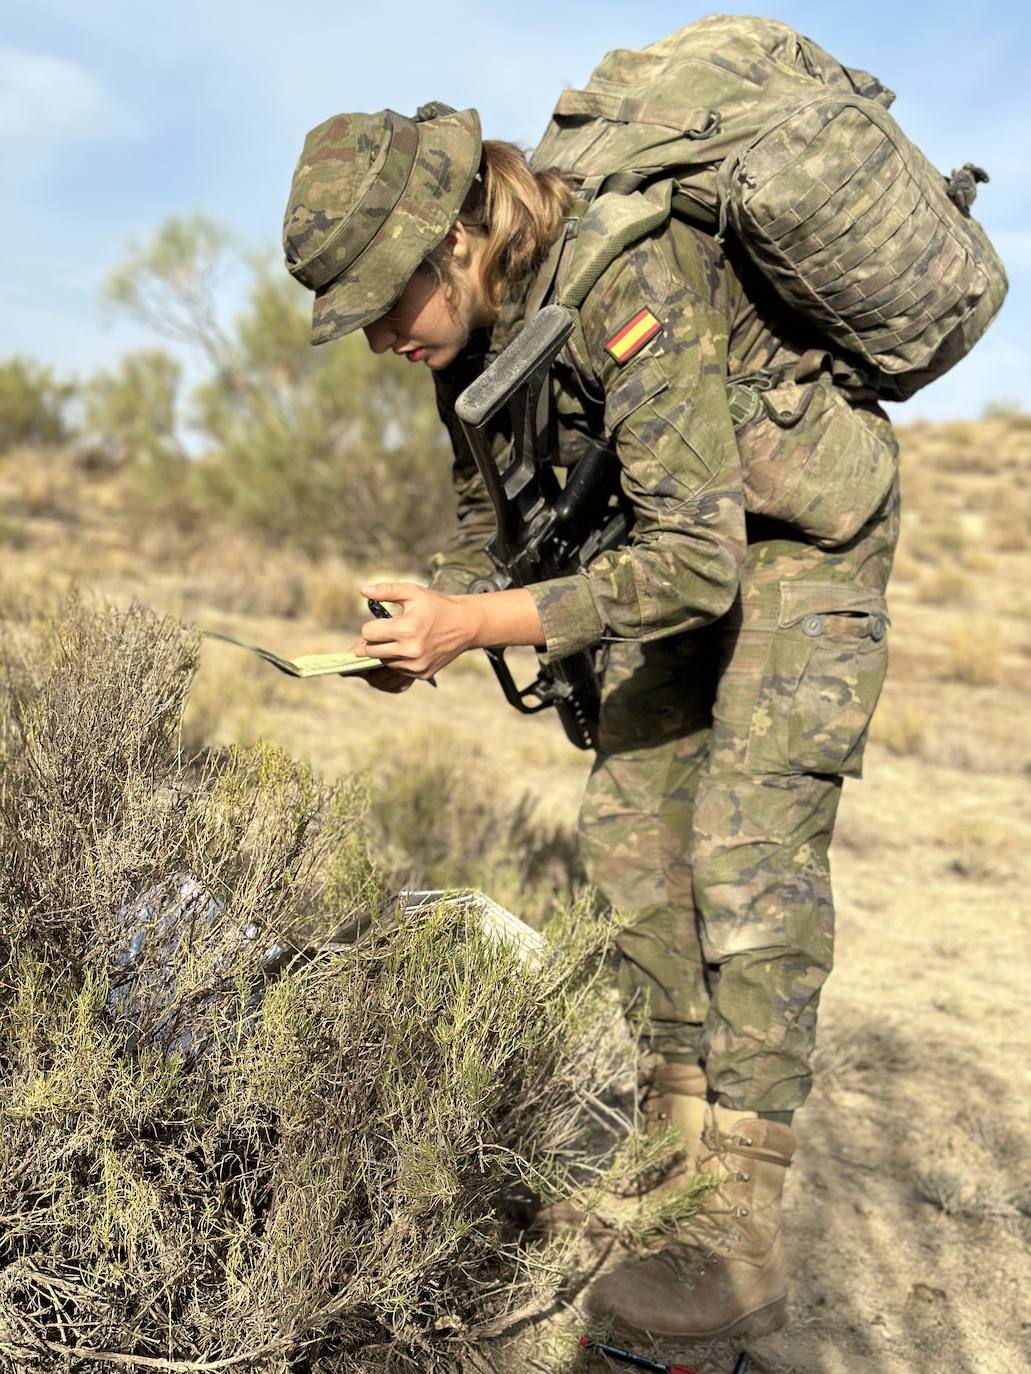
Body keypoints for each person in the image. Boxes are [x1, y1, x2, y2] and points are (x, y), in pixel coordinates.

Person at [282, 103, 898, 1342]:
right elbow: (493, 521)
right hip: (664, 550)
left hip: (796, 540)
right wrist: (428, 620)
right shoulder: (469, 344)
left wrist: (478, 623)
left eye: (385, 303)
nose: (381, 339)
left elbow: (698, 562)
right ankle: (670, 1165)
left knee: (745, 846)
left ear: (453, 240)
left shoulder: (623, 274)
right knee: (627, 834)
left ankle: (737, 1234)